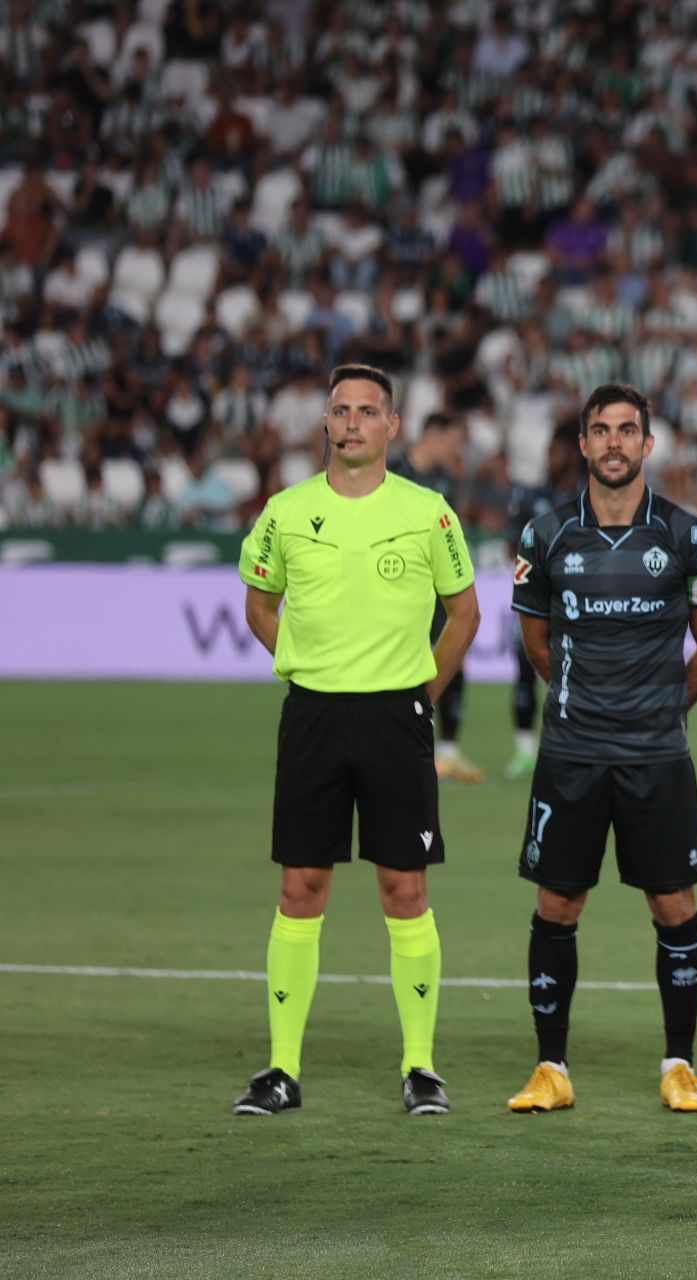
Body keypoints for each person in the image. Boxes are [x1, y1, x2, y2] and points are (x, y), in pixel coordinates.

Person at [232, 363, 480, 1117]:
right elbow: (258, 603)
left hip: (395, 720)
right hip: (312, 716)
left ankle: (420, 1067)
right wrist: (304, 665)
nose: (351, 423)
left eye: (367, 411)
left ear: (392, 427)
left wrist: (420, 696)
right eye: (340, 411)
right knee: (300, 887)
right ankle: (281, 1069)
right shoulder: (285, 510)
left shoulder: (429, 512)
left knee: (405, 889)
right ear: (326, 424)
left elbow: (464, 613)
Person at [505, 383, 697, 1115]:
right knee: (558, 903)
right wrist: (581, 701)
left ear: (647, 444)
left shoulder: (690, 536)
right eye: (600, 430)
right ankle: (551, 1068)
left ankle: (680, 1065)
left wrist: (662, 709)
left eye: (626, 431)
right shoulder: (544, 537)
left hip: (656, 757)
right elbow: (536, 643)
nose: (613, 443)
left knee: (674, 904)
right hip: (571, 754)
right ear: (582, 443)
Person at [390, 412, 485, 783]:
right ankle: (407, 744)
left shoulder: (446, 479)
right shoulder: (394, 472)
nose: (457, 449)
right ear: (434, 435)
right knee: (405, 665)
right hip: (401, 589)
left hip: (436, 588)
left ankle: (447, 751)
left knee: (453, 658)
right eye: (454, 440)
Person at [502, 423, 581, 782]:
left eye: (557, 451)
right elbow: (511, 545)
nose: (551, 458)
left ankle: (573, 744)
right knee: (525, 668)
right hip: (537, 600)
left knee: (575, 675)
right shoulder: (532, 497)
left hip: (577, 604)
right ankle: (523, 750)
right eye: (549, 451)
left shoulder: (588, 498)